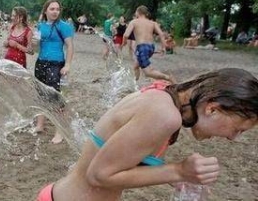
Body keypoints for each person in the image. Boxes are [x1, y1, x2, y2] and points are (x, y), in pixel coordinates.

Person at [37, 68, 258, 201]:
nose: (232, 138)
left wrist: (178, 178)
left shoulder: (166, 95)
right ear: (213, 108)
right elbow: (99, 175)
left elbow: (125, 155)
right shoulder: (165, 115)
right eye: (237, 129)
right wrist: (179, 171)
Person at [34, 0, 75, 144]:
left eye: (57, 9)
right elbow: (35, 48)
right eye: (52, 9)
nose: (55, 11)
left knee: (55, 97)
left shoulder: (64, 26)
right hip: (40, 63)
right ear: (46, 11)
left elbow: (70, 46)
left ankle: (60, 131)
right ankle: (40, 125)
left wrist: (68, 65)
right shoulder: (40, 26)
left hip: (56, 64)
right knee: (41, 95)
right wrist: (33, 43)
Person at [123, 6, 174, 83]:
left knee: (148, 72)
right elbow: (161, 34)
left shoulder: (134, 22)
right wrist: (163, 47)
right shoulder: (153, 23)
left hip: (142, 48)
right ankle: (135, 83)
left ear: (138, 12)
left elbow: (126, 35)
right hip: (151, 48)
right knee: (136, 66)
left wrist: (124, 43)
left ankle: (168, 78)